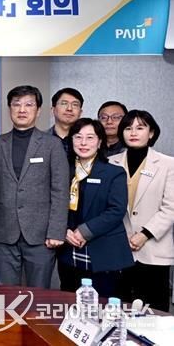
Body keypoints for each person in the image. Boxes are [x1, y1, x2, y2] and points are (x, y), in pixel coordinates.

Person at [0, 85, 69, 288]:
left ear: (38, 110)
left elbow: (60, 191)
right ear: (9, 108)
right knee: (6, 294)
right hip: (4, 231)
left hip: (41, 235)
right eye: (16, 104)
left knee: (39, 292)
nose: (22, 110)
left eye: (29, 105)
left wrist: (56, 231)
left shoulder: (52, 145)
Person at [56, 118, 133, 298]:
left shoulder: (114, 173)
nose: (83, 143)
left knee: (103, 305)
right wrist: (63, 230)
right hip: (68, 249)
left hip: (103, 251)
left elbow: (116, 210)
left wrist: (84, 232)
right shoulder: (62, 171)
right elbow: (52, 204)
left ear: (99, 142)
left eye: (90, 137)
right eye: (78, 137)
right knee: (70, 302)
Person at [110, 110, 174, 311]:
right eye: (128, 128)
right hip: (118, 248)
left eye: (140, 128)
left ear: (151, 132)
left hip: (153, 248)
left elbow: (170, 207)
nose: (133, 133)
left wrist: (145, 234)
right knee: (118, 310)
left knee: (154, 312)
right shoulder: (111, 162)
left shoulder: (168, 164)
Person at [49, 88, 84, 154]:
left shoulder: (87, 141)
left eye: (75, 104)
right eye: (64, 103)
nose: (69, 109)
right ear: (53, 110)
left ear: (80, 112)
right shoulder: (40, 139)